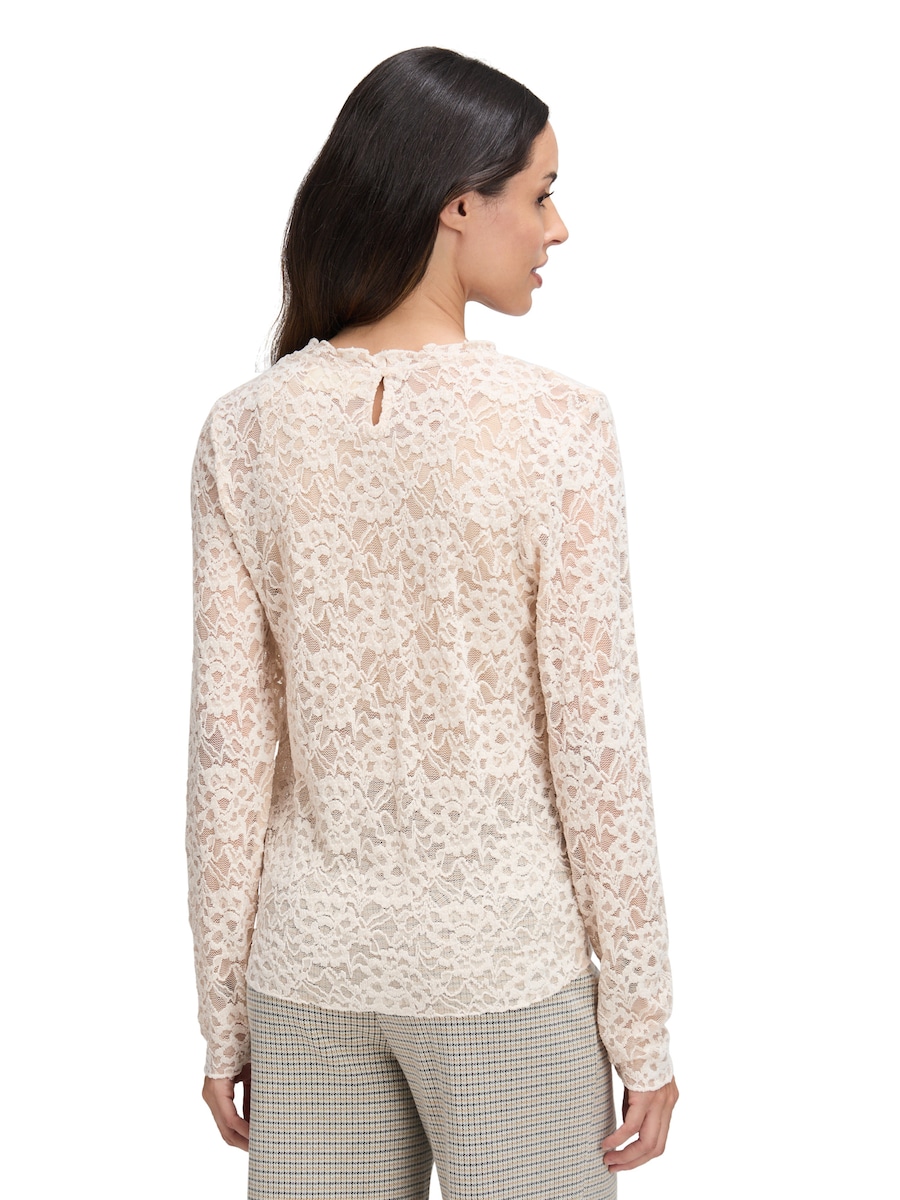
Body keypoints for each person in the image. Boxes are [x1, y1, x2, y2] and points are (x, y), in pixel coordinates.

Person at [187, 46, 677, 1200]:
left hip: (307, 978)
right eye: (540, 195)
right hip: (503, 974)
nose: (557, 229)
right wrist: (643, 1025)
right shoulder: (556, 426)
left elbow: (228, 749)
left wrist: (223, 1014)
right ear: (460, 205)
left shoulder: (245, 431)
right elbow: (597, 742)